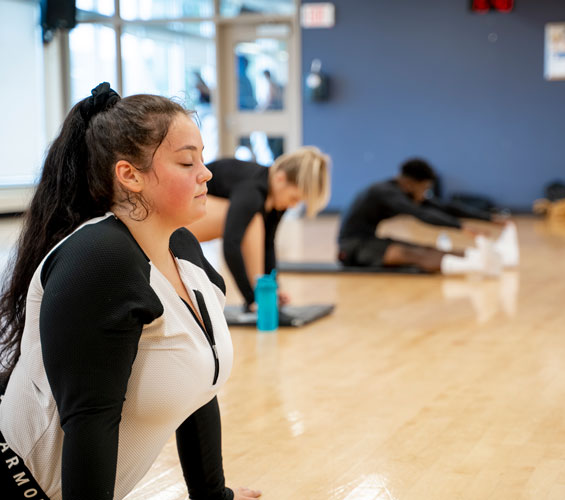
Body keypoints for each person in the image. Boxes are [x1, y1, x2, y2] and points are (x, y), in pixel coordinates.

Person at [0, 83, 261, 500]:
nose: (206, 172)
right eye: (187, 161)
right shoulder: (98, 260)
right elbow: (91, 423)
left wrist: (213, 495)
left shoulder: (183, 248)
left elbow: (199, 385)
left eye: (202, 158)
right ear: (130, 175)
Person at [187, 147, 331, 310]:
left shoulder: (275, 199)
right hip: (180, 217)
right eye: (294, 198)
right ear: (280, 178)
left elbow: (268, 244)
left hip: (204, 211)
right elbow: (231, 245)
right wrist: (250, 298)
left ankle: (262, 292)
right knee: (254, 221)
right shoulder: (253, 193)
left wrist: (273, 288)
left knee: (257, 224)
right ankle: (256, 295)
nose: (293, 205)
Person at [337, 158, 516, 274]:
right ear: (408, 183)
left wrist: (489, 219)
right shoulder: (384, 192)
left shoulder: (404, 191)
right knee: (412, 253)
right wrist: (461, 227)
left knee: (428, 248)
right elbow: (420, 214)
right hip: (352, 248)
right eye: (424, 188)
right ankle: (475, 265)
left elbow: (444, 206)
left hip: (371, 240)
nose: (425, 193)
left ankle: (485, 256)